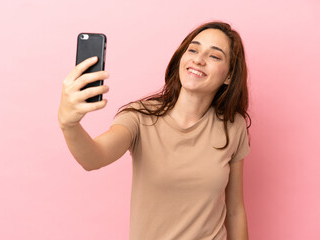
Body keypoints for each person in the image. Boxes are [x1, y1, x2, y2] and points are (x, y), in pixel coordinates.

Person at [58, 21, 251, 240]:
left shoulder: (233, 126)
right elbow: (94, 157)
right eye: (193, 50)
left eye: (214, 56)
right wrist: (69, 125)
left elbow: (235, 210)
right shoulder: (139, 117)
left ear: (228, 76)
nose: (198, 59)